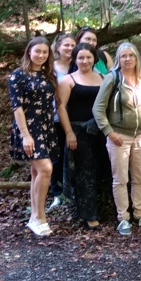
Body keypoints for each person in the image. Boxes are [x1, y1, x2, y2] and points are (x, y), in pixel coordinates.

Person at [94, 42, 141, 236]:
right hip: (119, 137)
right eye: (123, 56)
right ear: (118, 59)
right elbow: (98, 108)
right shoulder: (112, 78)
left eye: (131, 55)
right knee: (120, 179)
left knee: (139, 178)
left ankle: (139, 214)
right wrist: (109, 132)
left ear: (136, 57)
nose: (128, 59)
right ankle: (123, 218)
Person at [9, 37, 60, 237]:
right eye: (37, 51)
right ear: (29, 51)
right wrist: (26, 136)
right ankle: (39, 217)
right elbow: (17, 108)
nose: (41, 55)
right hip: (28, 128)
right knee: (46, 169)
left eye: (45, 52)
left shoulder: (48, 75)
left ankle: (34, 217)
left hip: (46, 127)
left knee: (37, 172)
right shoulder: (18, 76)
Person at [57, 43, 107, 229]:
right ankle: (88, 214)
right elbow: (61, 107)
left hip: (101, 131)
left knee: (101, 170)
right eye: (81, 58)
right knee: (84, 173)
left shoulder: (104, 77)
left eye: (88, 57)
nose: (85, 61)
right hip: (79, 132)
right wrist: (69, 133)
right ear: (75, 59)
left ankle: (102, 208)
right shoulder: (68, 80)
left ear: (94, 58)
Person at [49, 33, 76, 208]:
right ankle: (56, 193)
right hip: (52, 119)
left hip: (74, 118)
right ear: (58, 47)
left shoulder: (78, 65)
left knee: (72, 157)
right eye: (66, 45)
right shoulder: (49, 68)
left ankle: (73, 190)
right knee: (56, 157)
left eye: (73, 45)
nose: (69, 48)